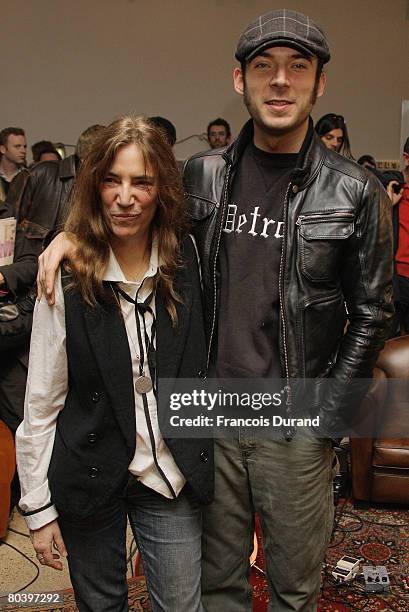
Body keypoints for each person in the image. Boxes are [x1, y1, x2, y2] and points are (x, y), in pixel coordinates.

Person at [38, 9, 394, 611]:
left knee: (294, 585)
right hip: (210, 419)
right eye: (264, 67)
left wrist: (327, 417)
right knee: (217, 583)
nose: (280, 82)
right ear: (240, 80)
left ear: (319, 84)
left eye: (297, 68)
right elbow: (129, 211)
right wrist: (73, 235)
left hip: (294, 421)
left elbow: (374, 312)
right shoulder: (203, 175)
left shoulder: (353, 190)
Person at [16, 116, 212, 612]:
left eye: (141, 182)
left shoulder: (186, 259)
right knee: (101, 605)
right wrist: (38, 508)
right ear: (95, 185)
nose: (125, 197)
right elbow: (42, 400)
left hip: (167, 475)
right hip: (89, 471)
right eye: (112, 180)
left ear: (160, 190)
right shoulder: (64, 275)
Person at [0, 127, 27, 200]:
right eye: (17, 146)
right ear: (3, 149)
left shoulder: (29, 177)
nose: (23, 151)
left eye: (24, 146)